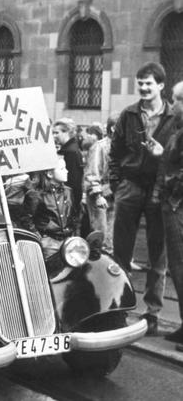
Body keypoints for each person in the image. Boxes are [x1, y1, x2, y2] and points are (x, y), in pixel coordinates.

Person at [109, 62, 175, 335]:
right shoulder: (129, 114)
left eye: (149, 83)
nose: (144, 88)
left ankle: (152, 313)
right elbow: (115, 151)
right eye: (140, 83)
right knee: (121, 251)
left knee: (157, 254)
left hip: (159, 190)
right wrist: (117, 184)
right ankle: (119, 307)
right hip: (130, 188)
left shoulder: (174, 116)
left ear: (161, 85)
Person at [156, 101, 183, 349]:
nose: (174, 104)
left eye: (178, 100)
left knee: (180, 265)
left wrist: (170, 191)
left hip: (177, 205)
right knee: (176, 267)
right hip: (174, 203)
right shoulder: (177, 129)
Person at [19, 156, 80, 258]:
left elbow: (74, 215)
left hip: (69, 241)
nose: (67, 171)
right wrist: (39, 237)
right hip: (49, 243)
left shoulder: (68, 191)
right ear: (50, 174)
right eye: (62, 168)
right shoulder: (35, 194)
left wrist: (74, 235)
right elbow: (26, 219)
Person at [83, 116, 118, 257]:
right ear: (114, 128)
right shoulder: (99, 146)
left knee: (113, 237)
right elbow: (92, 173)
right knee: (101, 236)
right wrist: (98, 195)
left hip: (116, 196)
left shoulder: (121, 146)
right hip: (102, 196)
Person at [53, 117, 84, 213]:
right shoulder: (71, 148)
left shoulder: (70, 152)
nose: (54, 136)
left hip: (69, 199)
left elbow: (73, 180)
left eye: (56, 133)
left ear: (67, 132)